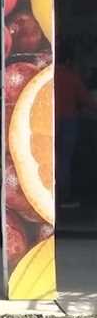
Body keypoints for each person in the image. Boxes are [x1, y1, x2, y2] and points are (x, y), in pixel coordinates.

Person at [55, 50, 97, 207]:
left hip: (50, 121)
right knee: (65, 160)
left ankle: (52, 197)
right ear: (69, 62)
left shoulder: (49, 75)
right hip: (68, 122)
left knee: (51, 159)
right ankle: (64, 198)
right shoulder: (71, 77)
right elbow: (87, 101)